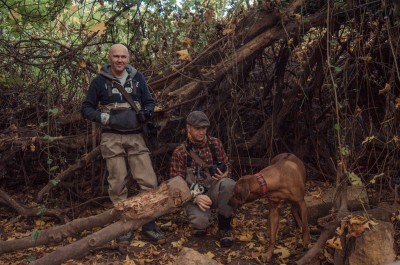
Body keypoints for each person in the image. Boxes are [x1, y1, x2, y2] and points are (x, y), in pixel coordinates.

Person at [81, 43, 165, 245]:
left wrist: (146, 112)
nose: (120, 60)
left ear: (128, 58)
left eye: (123, 57)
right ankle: (124, 226)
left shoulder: (138, 78)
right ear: (109, 58)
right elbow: (86, 108)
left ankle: (148, 224)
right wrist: (106, 119)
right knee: (117, 184)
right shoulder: (100, 81)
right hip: (112, 137)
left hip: (136, 135)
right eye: (116, 56)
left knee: (148, 181)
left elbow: (149, 102)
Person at [169, 111, 236, 247]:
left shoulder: (215, 144)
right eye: (198, 128)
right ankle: (203, 220)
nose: (202, 132)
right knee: (200, 224)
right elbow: (175, 185)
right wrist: (195, 197)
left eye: (204, 128)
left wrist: (225, 174)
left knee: (229, 184)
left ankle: (224, 226)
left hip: (214, 190)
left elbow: (227, 166)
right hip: (193, 195)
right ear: (188, 128)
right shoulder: (180, 152)